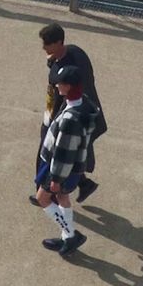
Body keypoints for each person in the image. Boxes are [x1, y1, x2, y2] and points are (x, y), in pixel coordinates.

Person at [37, 22, 107, 203]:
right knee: (70, 154)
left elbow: (57, 80)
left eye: (47, 44)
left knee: (50, 151)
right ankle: (83, 184)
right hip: (78, 116)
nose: (44, 47)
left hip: (69, 117)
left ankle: (44, 192)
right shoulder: (76, 52)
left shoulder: (66, 71)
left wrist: (53, 65)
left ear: (59, 42)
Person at [31, 64, 96, 257]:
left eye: (61, 83)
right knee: (62, 198)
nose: (57, 86)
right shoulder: (83, 103)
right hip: (73, 167)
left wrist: (56, 179)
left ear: (69, 86)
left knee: (43, 198)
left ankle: (71, 234)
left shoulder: (70, 119)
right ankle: (68, 236)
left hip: (59, 169)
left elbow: (63, 152)